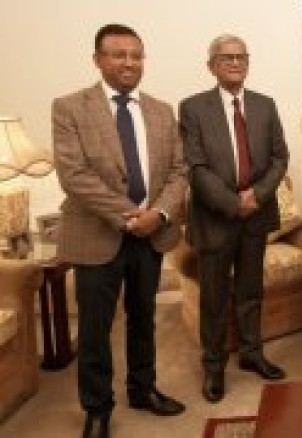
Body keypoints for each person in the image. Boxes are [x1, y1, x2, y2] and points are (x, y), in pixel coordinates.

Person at [51, 23, 187, 438]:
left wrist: (158, 214)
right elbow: (74, 176)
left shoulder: (162, 111)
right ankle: (97, 408)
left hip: (152, 235)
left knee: (143, 318)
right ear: (98, 60)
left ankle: (143, 389)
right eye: (118, 54)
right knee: (95, 328)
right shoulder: (70, 107)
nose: (129, 62)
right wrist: (132, 216)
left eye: (136, 55)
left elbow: (179, 171)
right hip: (97, 234)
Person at [179, 34, 290, 403]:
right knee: (213, 298)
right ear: (211, 65)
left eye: (241, 56)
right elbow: (195, 166)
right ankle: (213, 367)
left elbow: (280, 157)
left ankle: (251, 353)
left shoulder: (265, 105)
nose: (235, 62)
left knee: (250, 290)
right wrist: (232, 202)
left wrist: (256, 196)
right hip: (215, 218)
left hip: (256, 216)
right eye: (226, 57)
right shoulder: (193, 108)